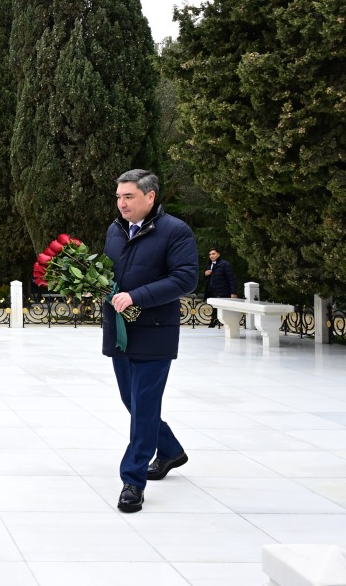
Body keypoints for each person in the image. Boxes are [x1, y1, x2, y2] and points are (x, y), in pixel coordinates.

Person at [103, 169, 198, 513]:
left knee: (143, 406)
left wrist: (136, 296)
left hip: (155, 331)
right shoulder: (114, 230)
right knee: (132, 401)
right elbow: (109, 273)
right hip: (121, 332)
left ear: (150, 197)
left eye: (129, 197)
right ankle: (170, 450)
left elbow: (186, 279)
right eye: (118, 197)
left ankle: (133, 480)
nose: (122, 203)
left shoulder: (176, 231)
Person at [204, 248, 238, 327]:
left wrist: (233, 292)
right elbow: (208, 279)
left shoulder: (225, 264)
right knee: (214, 308)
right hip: (212, 291)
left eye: (213, 254)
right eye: (210, 254)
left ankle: (222, 324)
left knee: (223, 309)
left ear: (218, 254)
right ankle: (214, 323)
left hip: (223, 291)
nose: (211, 256)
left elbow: (231, 279)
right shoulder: (209, 265)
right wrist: (205, 274)